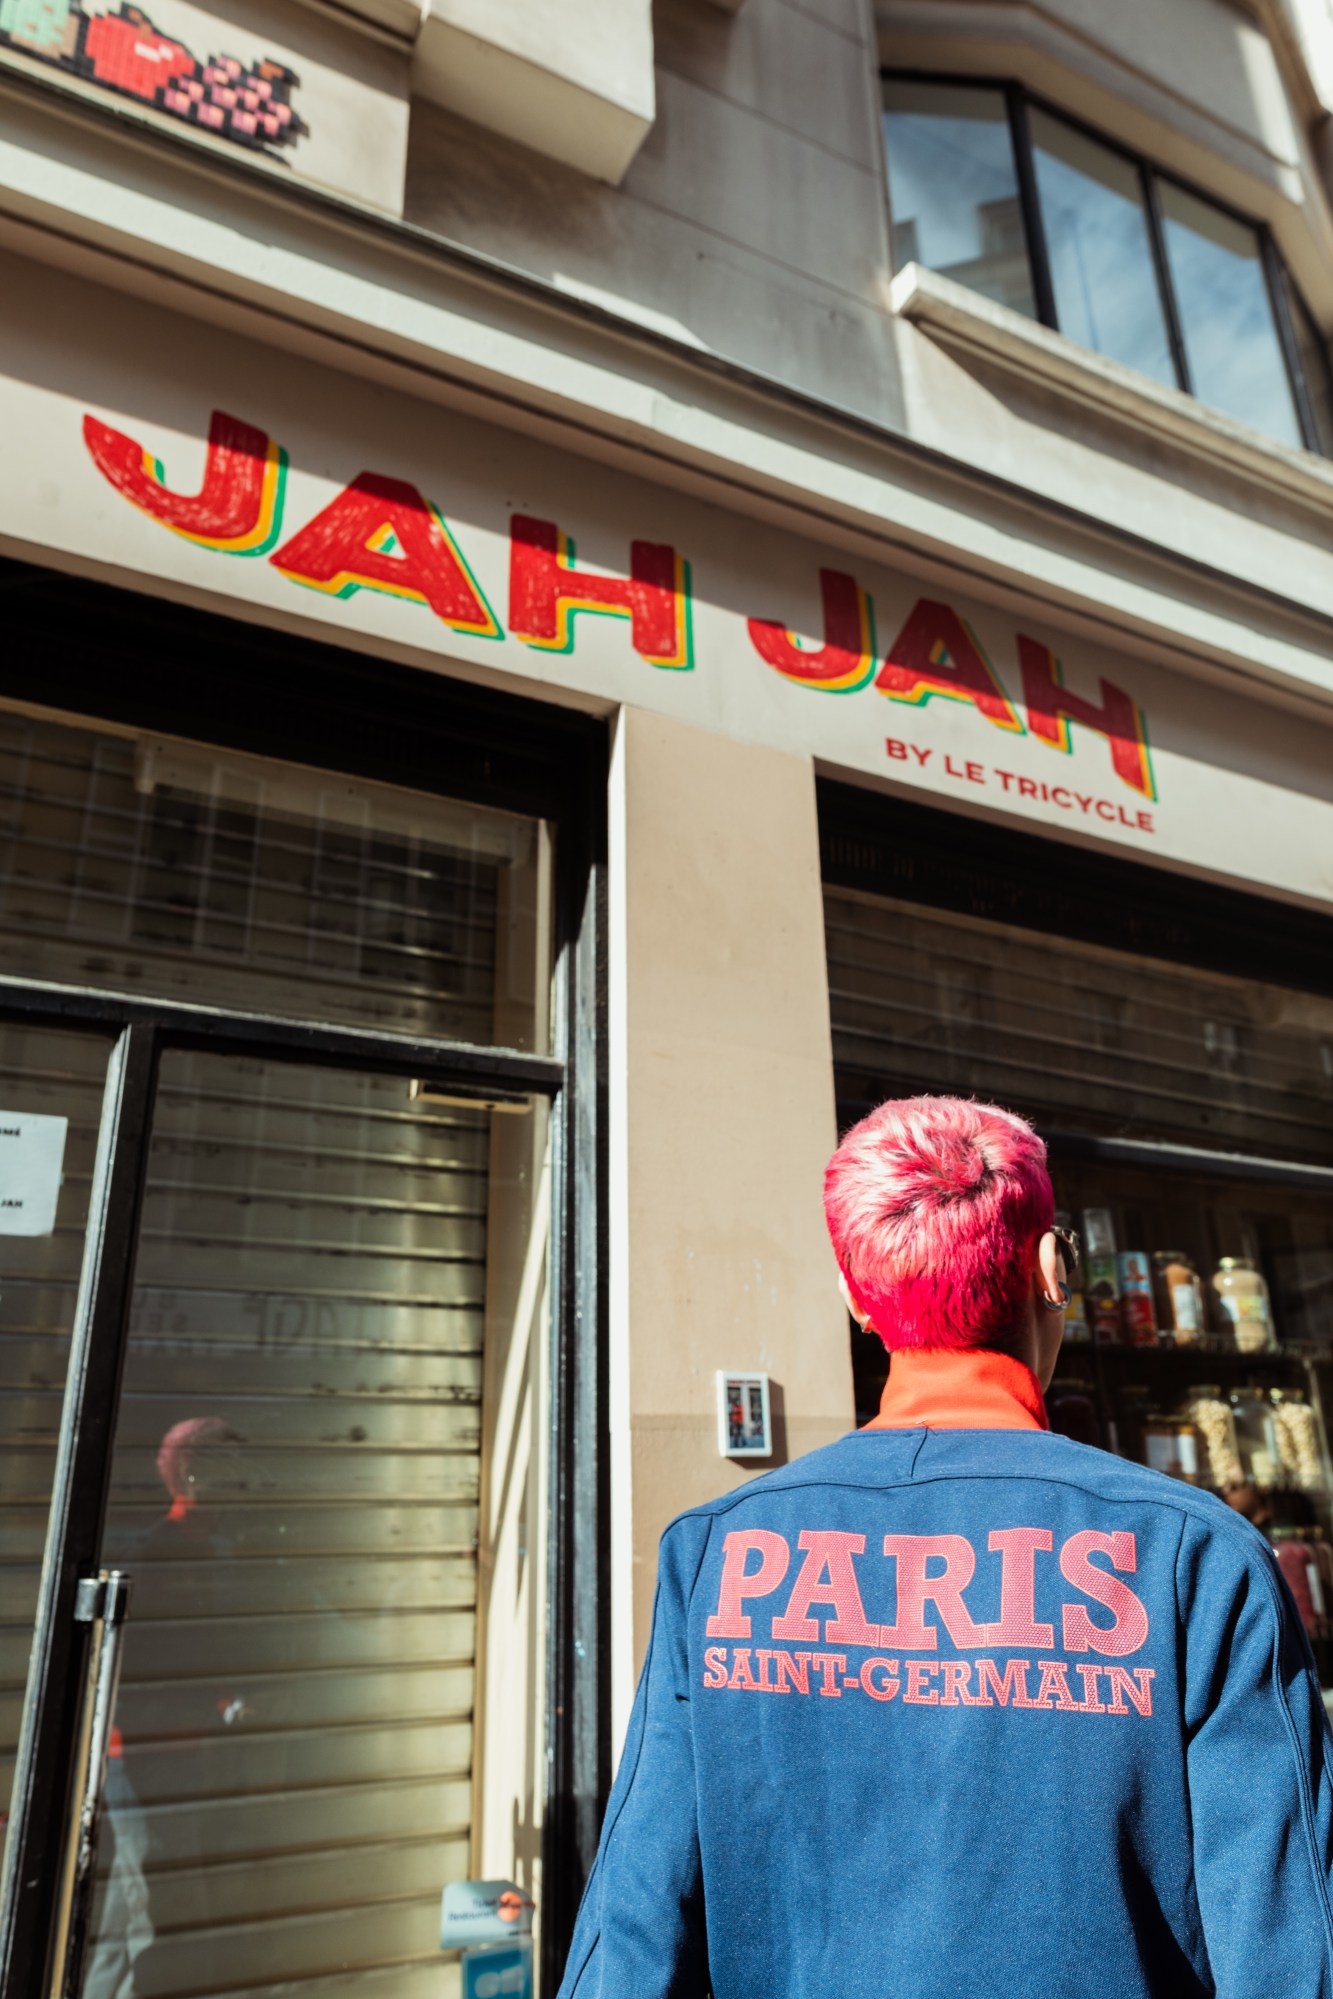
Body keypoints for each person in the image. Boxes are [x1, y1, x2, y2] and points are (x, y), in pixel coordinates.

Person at [556, 1095, 1333, 1998]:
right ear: (1051, 1267)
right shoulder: (1192, 1555)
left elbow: (633, 1932)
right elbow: (1287, 1950)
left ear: (855, 1293)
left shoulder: (719, 1552)